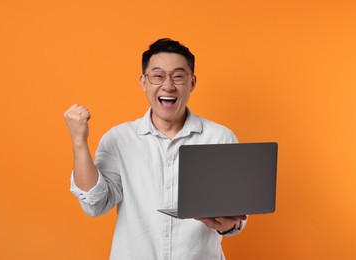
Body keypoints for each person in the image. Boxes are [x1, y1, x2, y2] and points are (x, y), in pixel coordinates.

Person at [64, 38, 247, 260]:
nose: (168, 85)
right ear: (144, 82)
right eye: (158, 76)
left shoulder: (220, 138)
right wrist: (78, 140)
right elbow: (95, 204)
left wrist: (229, 225)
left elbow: (235, 217)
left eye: (178, 76)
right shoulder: (119, 139)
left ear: (192, 83)